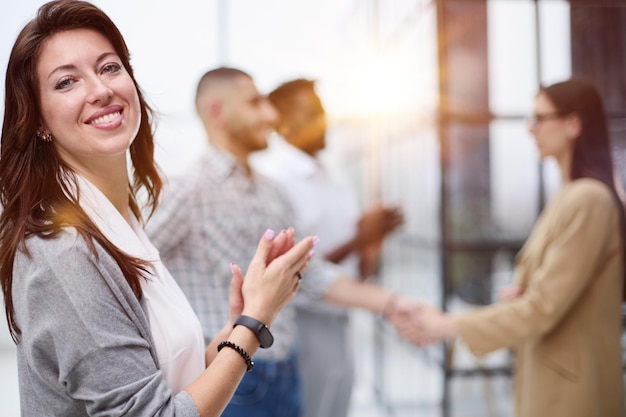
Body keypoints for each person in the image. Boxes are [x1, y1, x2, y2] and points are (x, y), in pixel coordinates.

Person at [0, 2, 317, 416]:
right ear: (38, 120)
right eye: (66, 82)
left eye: (110, 67)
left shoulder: (117, 221)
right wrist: (254, 321)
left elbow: (161, 383)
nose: (99, 89)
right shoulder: (66, 253)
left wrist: (237, 323)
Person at [145, 67, 415, 417]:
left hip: (286, 370)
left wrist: (394, 303)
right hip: (231, 381)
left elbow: (311, 275)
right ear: (217, 111)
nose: (271, 115)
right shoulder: (186, 190)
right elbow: (128, 270)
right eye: (255, 103)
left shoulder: (272, 192)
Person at [396, 77, 626, 417]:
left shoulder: (588, 198)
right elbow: (553, 294)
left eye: (539, 118)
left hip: (573, 390)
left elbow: (544, 306)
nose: (530, 129)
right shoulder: (569, 195)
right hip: (553, 374)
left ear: (573, 123)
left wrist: (448, 325)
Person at [250, 78, 404, 417]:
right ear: (283, 122)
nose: (324, 119)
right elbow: (292, 272)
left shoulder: (334, 177)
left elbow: (359, 267)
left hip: (342, 323)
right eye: (312, 111)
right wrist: (360, 238)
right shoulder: (274, 181)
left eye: (322, 110)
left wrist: (372, 238)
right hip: (300, 327)